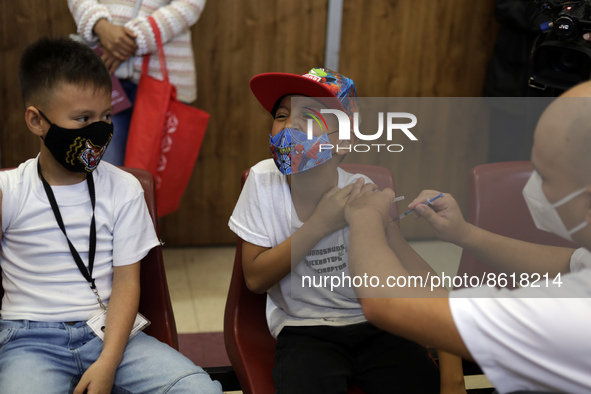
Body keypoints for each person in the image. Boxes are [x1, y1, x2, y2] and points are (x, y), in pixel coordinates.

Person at [0, 37, 222, 394]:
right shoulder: (8, 190)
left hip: (109, 334)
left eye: (105, 116)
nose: (99, 131)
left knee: (201, 389)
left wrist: (107, 362)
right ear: (36, 121)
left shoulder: (123, 188)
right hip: (29, 339)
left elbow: (126, 283)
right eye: (83, 118)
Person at [228, 67, 467, 393]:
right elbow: (255, 280)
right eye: (281, 115)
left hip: (375, 323)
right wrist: (321, 223)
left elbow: (417, 274)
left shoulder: (361, 190)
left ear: (342, 141)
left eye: (309, 116)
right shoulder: (262, 180)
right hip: (304, 328)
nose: (290, 125)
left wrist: (452, 373)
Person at [343, 81, 591, 393]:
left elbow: (388, 303)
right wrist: (464, 233)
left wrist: (365, 217)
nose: (532, 185)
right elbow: (571, 264)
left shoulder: (574, 314)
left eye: (544, 175)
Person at [68, 0, 206, 165]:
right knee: (103, 173)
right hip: (105, 76)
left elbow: (190, 3)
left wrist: (132, 38)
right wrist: (100, 25)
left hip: (164, 79)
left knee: (151, 178)